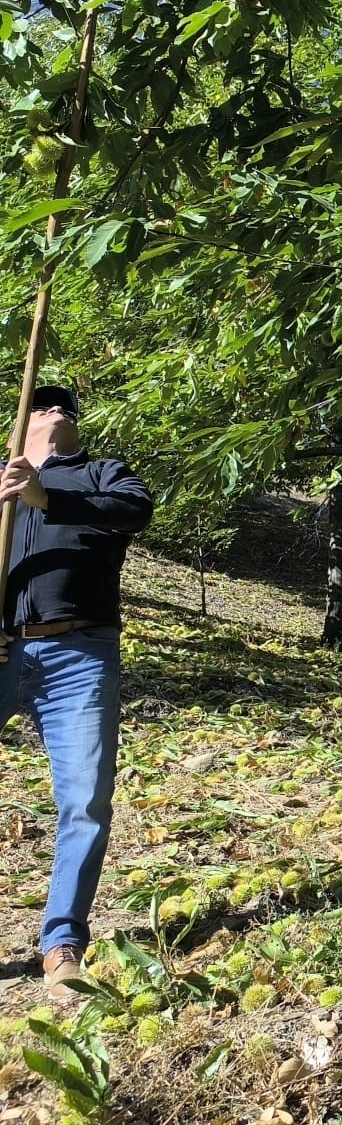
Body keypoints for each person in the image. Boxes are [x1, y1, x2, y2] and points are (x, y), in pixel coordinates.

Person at [0, 384, 153, 991]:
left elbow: (133, 513)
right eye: (43, 404)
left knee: (85, 801)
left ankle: (62, 944)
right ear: (20, 421)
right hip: (4, 647)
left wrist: (45, 496)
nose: (58, 409)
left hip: (79, 654)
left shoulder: (100, 474)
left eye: (67, 405)